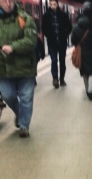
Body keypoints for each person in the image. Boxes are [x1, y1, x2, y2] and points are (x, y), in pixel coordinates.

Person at [0, 0, 37, 138]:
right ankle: (21, 115)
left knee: (26, 97)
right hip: (3, 68)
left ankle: (24, 126)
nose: (8, 3)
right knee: (7, 95)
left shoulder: (25, 19)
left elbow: (31, 41)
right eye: (4, 1)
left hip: (25, 66)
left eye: (10, 0)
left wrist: (13, 47)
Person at [71, 1, 92, 101]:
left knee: (85, 71)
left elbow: (73, 40)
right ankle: (91, 91)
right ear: (91, 13)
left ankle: (87, 89)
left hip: (82, 52)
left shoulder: (76, 26)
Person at [41, 0, 72, 88]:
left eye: (54, 4)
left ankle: (62, 78)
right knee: (54, 60)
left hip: (62, 42)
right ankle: (55, 78)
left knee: (62, 61)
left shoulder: (63, 15)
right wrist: (48, 35)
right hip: (52, 42)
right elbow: (43, 28)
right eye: (51, 4)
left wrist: (65, 35)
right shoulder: (46, 15)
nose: (53, 6)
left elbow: (69, 26)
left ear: (57, 4)